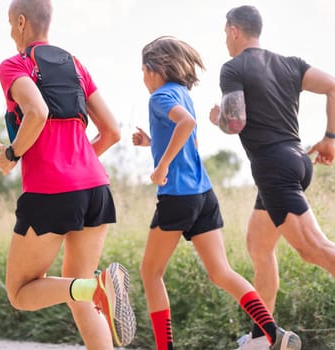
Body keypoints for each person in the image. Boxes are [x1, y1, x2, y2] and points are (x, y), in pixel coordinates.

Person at [133, 36, 300, 350]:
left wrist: (161, 166)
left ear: (154, 69)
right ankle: (272, 333)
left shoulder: (159, 98)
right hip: (203, 195)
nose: (142, 78)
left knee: (150, 272)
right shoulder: (182, 93)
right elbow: (190, 140)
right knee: (221, 271)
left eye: (143, 70)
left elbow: (187, 124)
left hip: (177, 196)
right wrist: (151, 145)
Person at [0, 0, 136, 348]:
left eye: (10, 24)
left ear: (22, 21)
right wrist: (77, 160)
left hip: (50, 191)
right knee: (79, 292)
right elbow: (112, 130)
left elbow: (37, 112)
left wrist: (13, 153)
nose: (10, 31)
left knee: (21, 291)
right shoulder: (75, 66)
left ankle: (96, 286)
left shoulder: (15, 65)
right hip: (95, 188)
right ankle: (94, 287)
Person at [209, 5, 335, 350]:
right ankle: (261, 338)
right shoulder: (291, 63)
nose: (225, 41)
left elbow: (235, 123)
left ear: (234, 30)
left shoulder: (233, 68)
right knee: (259, 247)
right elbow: (333, 86)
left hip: (274, 169)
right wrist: (330, 138)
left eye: (224, 34)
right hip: (294, 161)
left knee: (317, 251)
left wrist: (217, 116)